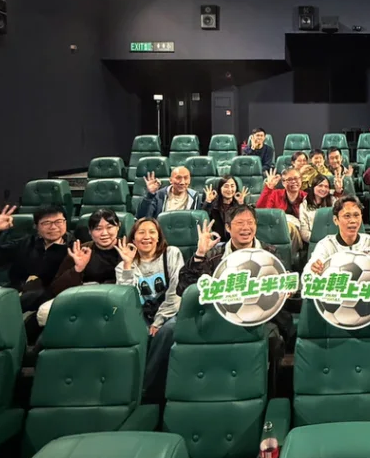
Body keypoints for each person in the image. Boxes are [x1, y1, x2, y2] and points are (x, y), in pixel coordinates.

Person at [176, 205, 289, 360]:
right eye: (240, 223)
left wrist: (286, 290)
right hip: (221, 317)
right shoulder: (214, 255)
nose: (246, 228)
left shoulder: (270, 253)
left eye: (250, 222)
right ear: (228, 228)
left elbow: (285, 286)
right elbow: (184, 289)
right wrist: (200, 254)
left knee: (274, 339)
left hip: (260, 318)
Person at [115, 218, 184, 401]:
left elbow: (176, 291)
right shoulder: (123, 266)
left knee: (168, 330)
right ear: (133, 238)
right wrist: (128, 265)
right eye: (141, 232)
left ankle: (145, 390)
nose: (147, 237)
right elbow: (126, 299)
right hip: (141, 314)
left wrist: (159, 321)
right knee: (134, 332)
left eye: (152, 232)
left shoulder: (171, 254)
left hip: (170, 312)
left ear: (159, 236)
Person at [0, 204, 72, 310]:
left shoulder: (74, 249)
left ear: (65, 223)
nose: (53, 227)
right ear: (36, 226)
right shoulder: (26, 243)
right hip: (16, 297)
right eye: (46, 223)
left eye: (58, 222)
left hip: (51, 303)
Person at [37, 208, 123, 327]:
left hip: (116, 298)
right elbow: (56, 288)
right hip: (84, 296)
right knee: (44, 314)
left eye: (109, 227)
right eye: (98, 229)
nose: (104, 233)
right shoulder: (80, 251)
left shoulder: (129, 249)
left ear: (118, 227)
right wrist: (77, 269)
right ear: (90, 231)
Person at [304, 196, 370, 281]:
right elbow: (306, 278)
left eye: (356, 215)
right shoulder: (326, 245)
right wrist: (313, 271)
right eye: (347, 216)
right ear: (336, 220)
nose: (353, 221)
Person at [256, 167, 306, 254]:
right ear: (283, 183)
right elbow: (261, 211)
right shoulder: (276, 194)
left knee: (289, 226)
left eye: (296, 178)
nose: (294, 181)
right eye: (289, 179)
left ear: (301, 180)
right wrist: (269, 188)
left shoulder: (306, 197)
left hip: (300, 233)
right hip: (276, 230)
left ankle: (289, 256)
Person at [136, 167, 202, 219]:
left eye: (186, 178)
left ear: (190, 180)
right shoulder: (159, 195)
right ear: (170, 180)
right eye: (178, 178)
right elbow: (143, 217)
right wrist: (150, 195)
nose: (182, 182)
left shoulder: (194, 197)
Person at [299, 175, 336, 244]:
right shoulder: (304, 205)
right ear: (313, 187)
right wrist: (318, 241)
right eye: (320, 186)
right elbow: (304, 231)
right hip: (313, 241)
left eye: (326, 186)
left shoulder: (334, 202)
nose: (323, 189)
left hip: (332, 242)